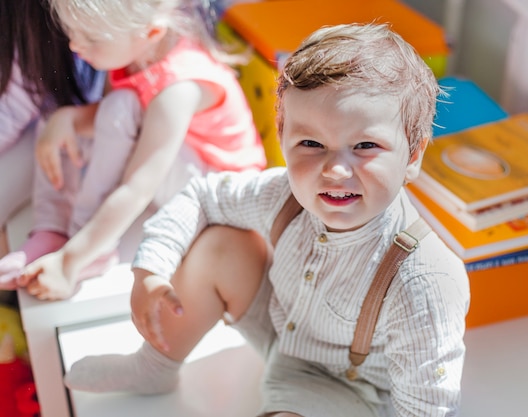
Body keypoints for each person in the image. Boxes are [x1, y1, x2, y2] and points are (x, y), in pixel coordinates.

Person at [64, 23, 470, 416]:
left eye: (365, 146)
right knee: (221, 243)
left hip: (349, 388)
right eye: (311, 143)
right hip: (281, 329)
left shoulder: (424, 281)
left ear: (412, 156)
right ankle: (154, 365)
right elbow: (201, 196)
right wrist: (151, 267)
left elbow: (428, 406)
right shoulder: (283, 194)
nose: (336, 170)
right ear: (283, 138)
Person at [0, 0, 266, 299]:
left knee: (116, 109)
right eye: (71, 32)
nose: (75, 45)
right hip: (177, 162)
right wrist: (68, 119)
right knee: (60, 119)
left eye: (91, 38)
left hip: (220, 195)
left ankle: (85, 246)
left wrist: (70, 262)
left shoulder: (177, 90)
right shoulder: (139, 46)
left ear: (150, 31)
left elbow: (137, 186)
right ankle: (51, 228)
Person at [0, 0, 104, 300]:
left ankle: (58, 231)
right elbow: (16, 102)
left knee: (59, 120)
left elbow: (136, 104)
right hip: (45, 117)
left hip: (94, 128)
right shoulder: (26, 21)